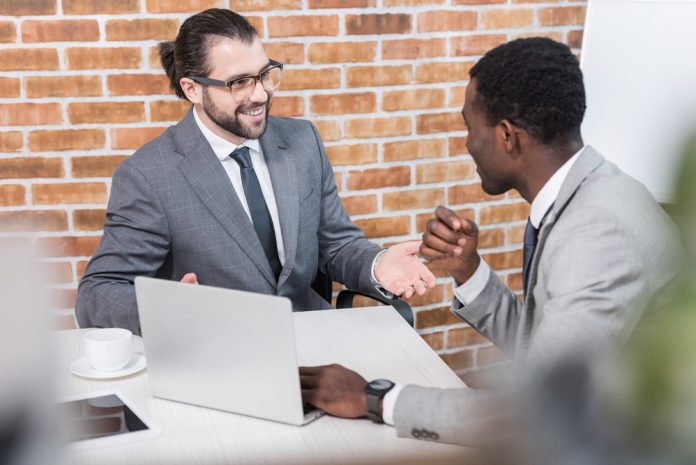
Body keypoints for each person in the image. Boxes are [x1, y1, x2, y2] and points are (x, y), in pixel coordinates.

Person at [300, 37, 681, 446]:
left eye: (469, 126)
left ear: (506, 136)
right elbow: (544, 354)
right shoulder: (594, 192)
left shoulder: (596, 233)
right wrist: (468, 269)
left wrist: (374, 398)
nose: (467, 144)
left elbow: (540, 411)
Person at [75, 8, 435, 334]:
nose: (260, 94)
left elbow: (334, 244)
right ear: (193, 89)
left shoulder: (302, 141)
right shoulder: (149, 175)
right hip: (222, 351)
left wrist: (375, 266)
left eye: (264, 75)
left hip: (312, 339)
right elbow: (98, 294)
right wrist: (168, 311)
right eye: (239, 82)